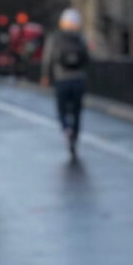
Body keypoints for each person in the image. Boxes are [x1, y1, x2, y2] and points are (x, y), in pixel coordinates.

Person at [40, 8, 90, 158]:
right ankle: (74, 136)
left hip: (61, 79)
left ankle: (66, 129)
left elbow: (48, 58)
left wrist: (45, 76)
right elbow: (87, 58)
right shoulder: (80, 38)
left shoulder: (55, 38)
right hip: (78, 79)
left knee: (61, 109)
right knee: (77, 111)